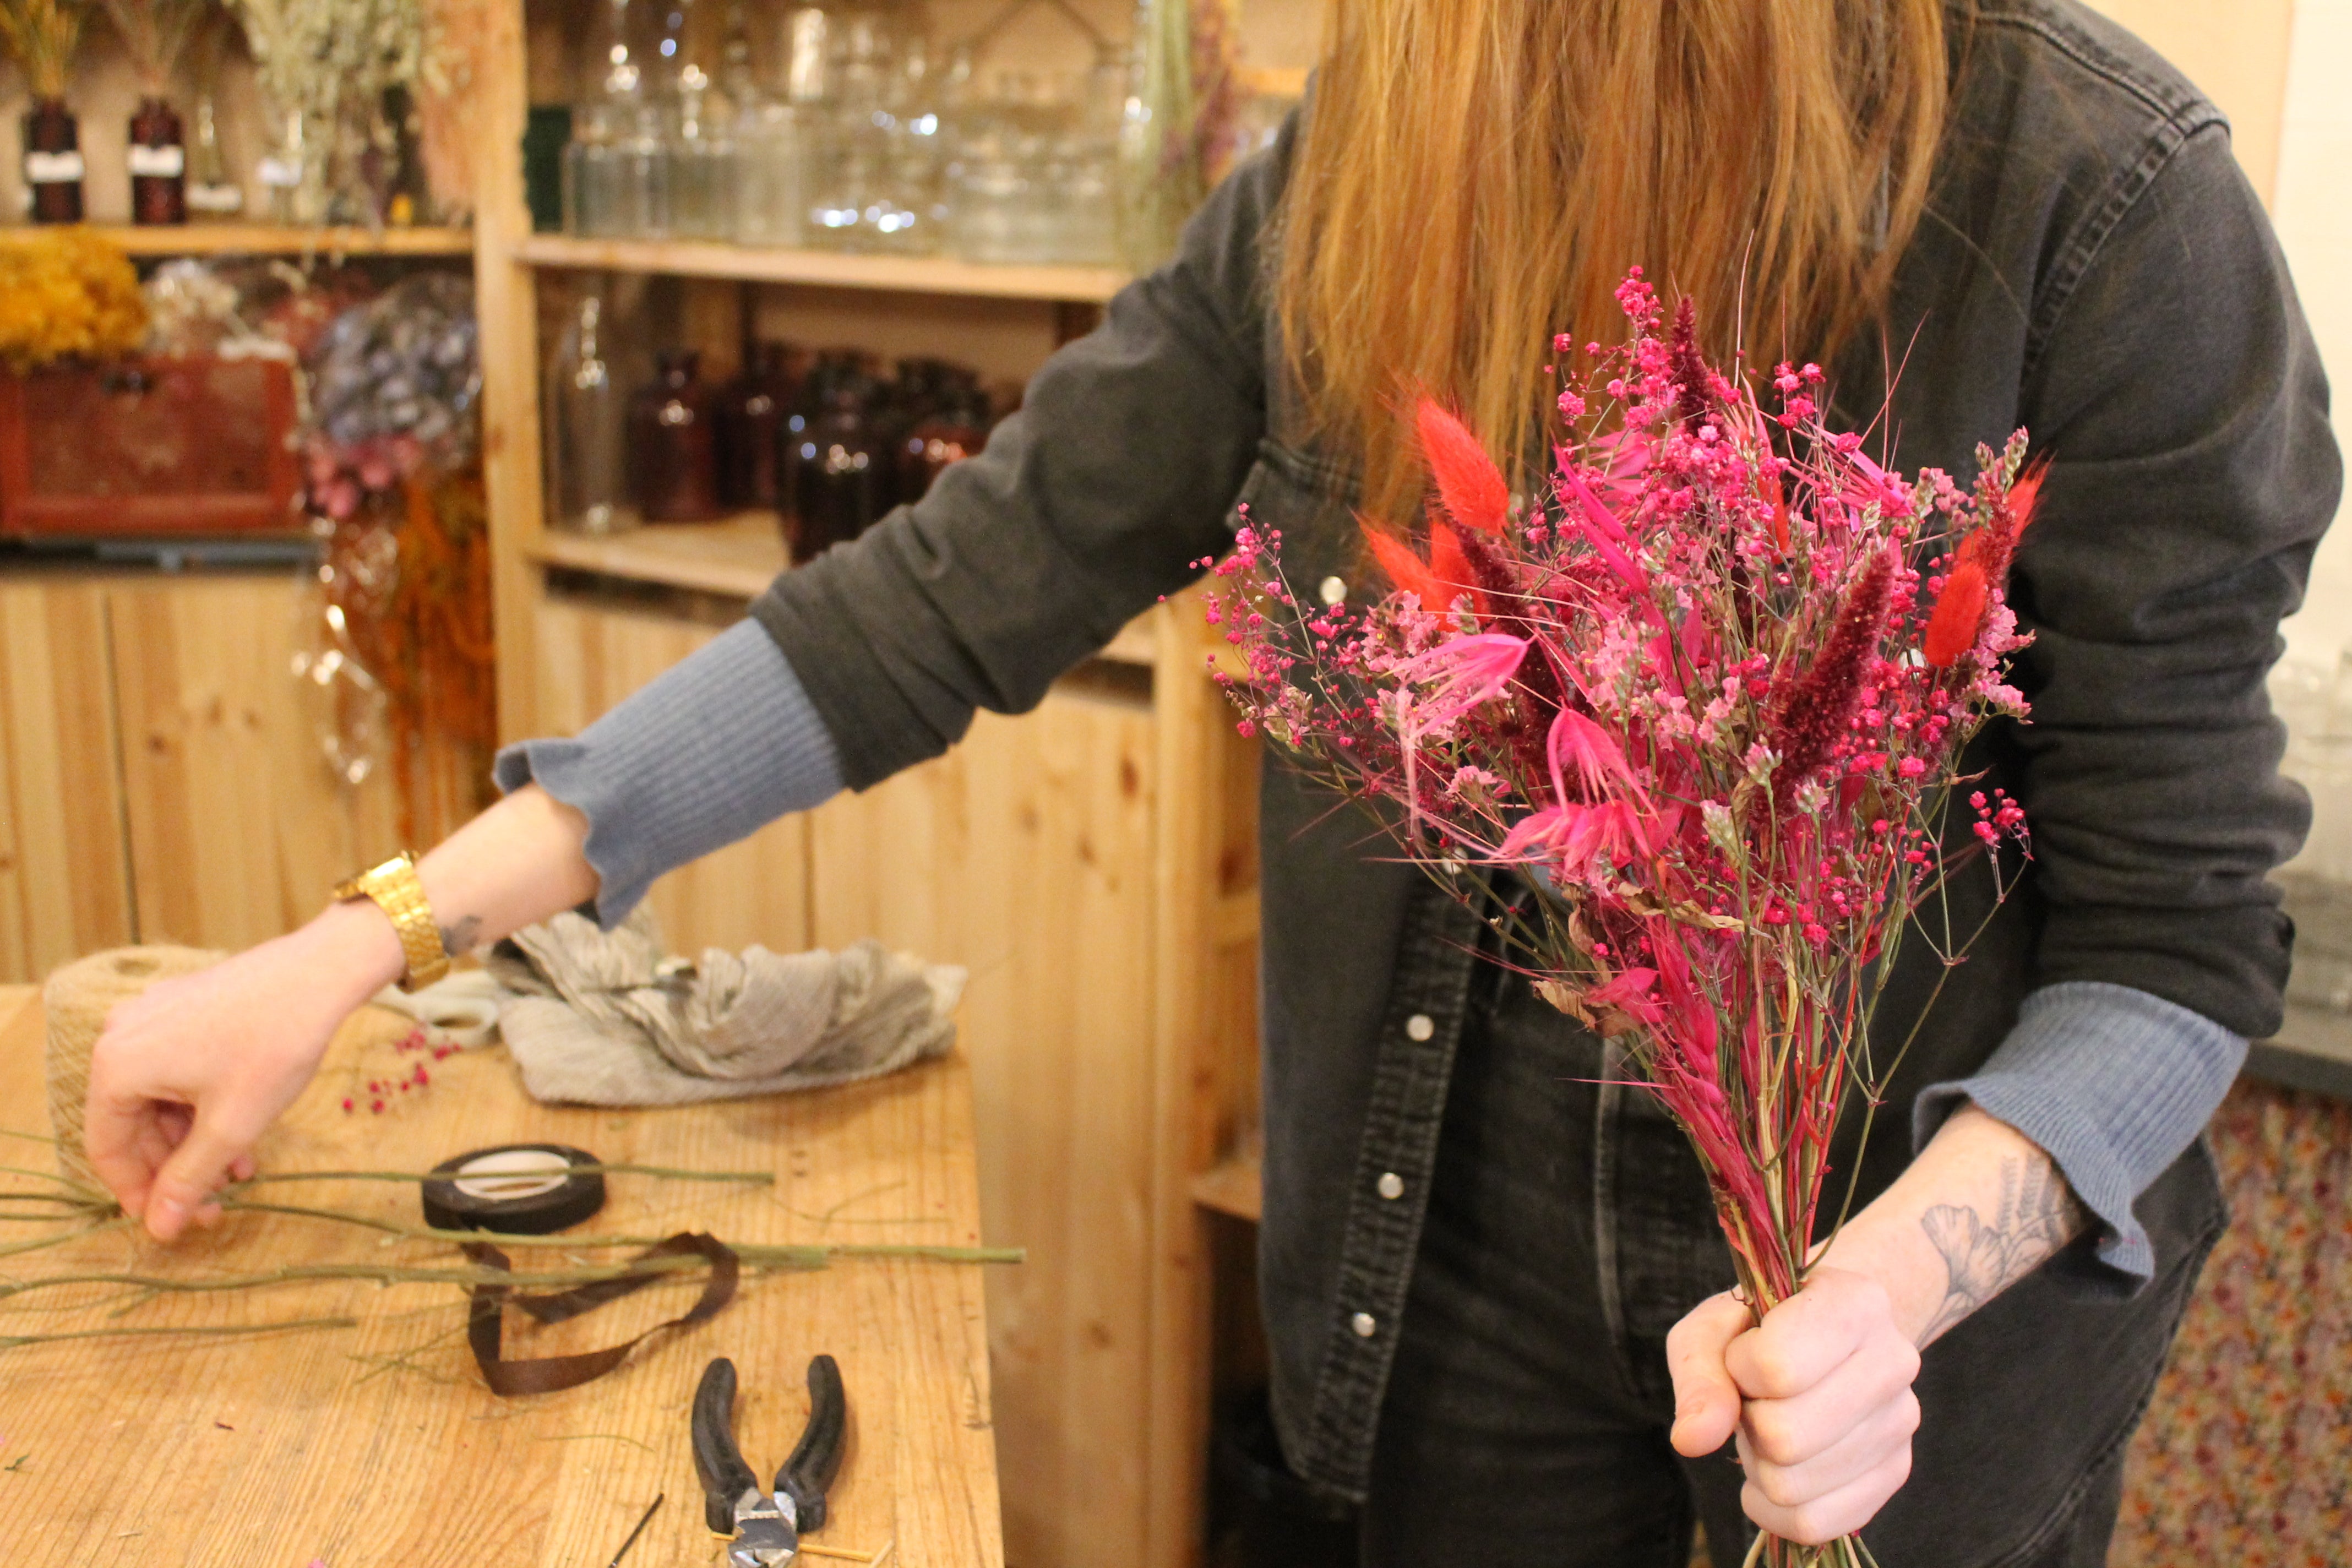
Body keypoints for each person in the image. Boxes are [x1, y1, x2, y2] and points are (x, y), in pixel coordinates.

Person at [85, 1, 2337, 1564]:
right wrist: (362, 942)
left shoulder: (2104, 213)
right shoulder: (1378, 165)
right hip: (1466, 1281)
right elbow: (943, 598)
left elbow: (2174, 943)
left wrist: (1881, 1295)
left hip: (1915, 1363)